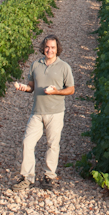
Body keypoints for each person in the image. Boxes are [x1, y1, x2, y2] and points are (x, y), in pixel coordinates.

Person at [12, 35, 74, 191]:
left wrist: (56, 92)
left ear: (57, 49)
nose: (50, 50)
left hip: (55, 113)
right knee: (27, 142)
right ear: (43, 48)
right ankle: (27, 177)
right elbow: (31, 87)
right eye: (47, 47)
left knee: (52, 145)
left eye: (53, 47)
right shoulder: (36, 65)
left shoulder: (64, 67)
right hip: (37, 112)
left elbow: (71, 89)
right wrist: (23, 88)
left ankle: (49, 176)